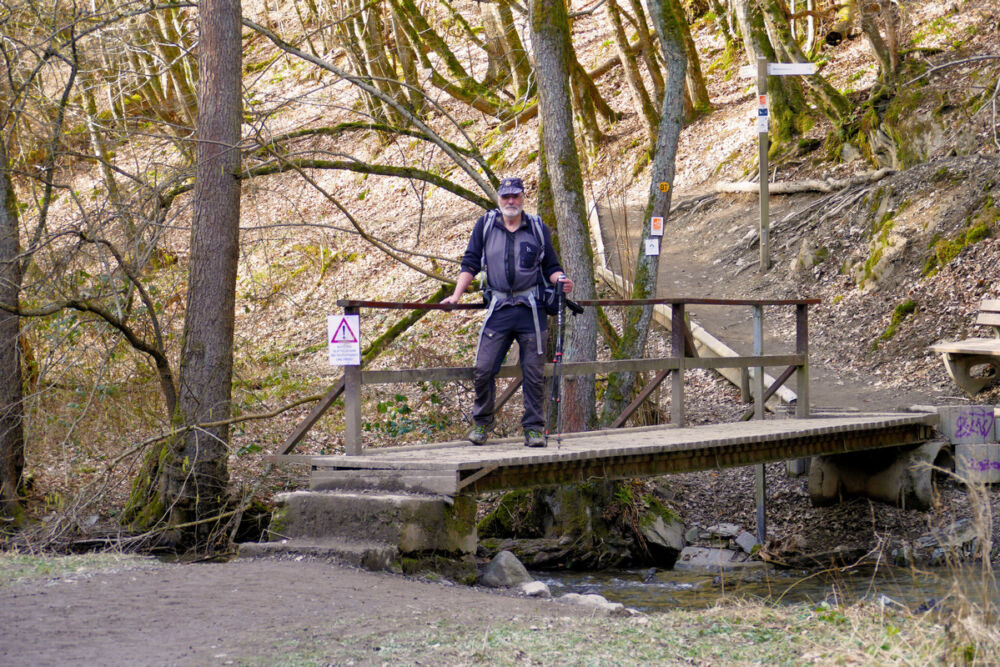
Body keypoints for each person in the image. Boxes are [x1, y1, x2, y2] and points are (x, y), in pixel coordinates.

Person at [442, 177, 574, 447]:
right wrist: (456, 296)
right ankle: (481, 424)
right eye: (506, 197)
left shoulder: (536, 227)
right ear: (499, 199)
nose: (511, 201)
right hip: (499, 308)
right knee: (483, 368)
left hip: (531, 311)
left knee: (534, 374)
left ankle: (534, 429)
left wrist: (561, 280)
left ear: (523, 197)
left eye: (515, 196)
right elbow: (470, 262)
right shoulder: (486, 225)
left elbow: (551, 266)